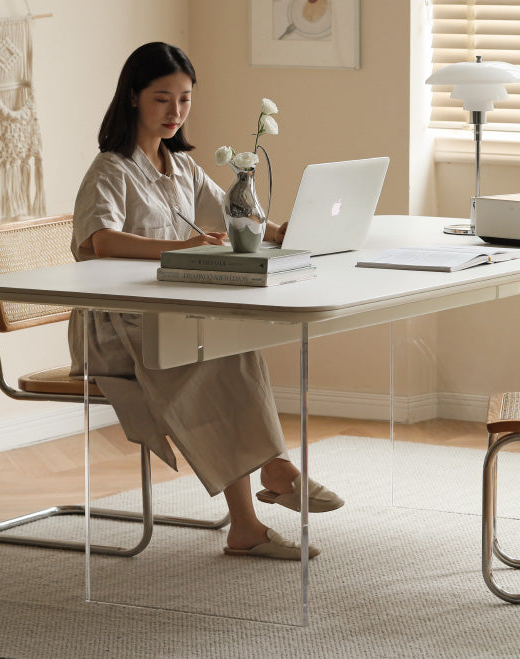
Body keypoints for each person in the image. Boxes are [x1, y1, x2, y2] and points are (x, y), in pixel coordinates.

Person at [68, 42, 343, 561]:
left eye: (186, 100)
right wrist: (184, 245)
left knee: (232, 345)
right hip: (116, 328)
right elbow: (101, 242)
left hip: (169, 316)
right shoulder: (110, 169)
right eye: (162, 99)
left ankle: (259, 499)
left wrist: (286, 231)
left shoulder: (180, 166)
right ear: (132, 99)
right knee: (206, 357)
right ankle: (269, 482)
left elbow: (230, 219)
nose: (175, 113)